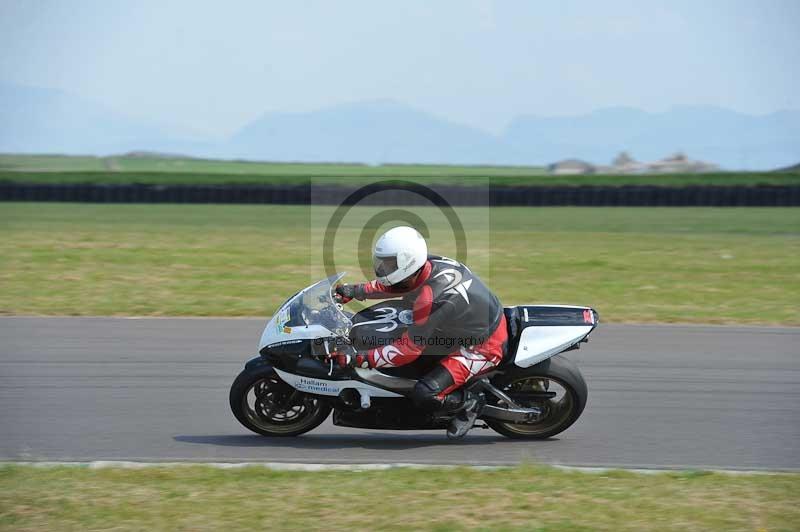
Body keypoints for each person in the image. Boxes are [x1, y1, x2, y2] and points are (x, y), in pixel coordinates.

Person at [333, 226, 507, 439]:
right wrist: (357, 290)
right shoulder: (428, 265)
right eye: (383, 262)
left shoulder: (430, 297)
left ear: (407, 261)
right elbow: (399, 285)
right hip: (463, 324)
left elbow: (408, 349)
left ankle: (471, 401)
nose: (383, 268)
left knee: (425, 394)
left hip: (483, 345)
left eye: (389, 263)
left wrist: (361, 359)